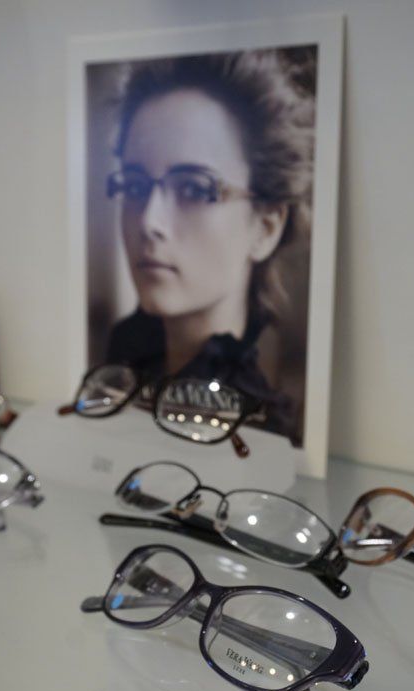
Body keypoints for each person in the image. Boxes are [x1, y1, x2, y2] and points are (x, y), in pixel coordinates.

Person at [105, 48, 315, 443]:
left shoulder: (262, 427)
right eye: (134, 186)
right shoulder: (120, 363)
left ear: (265, 227)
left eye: (194, 189)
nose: (150, 222)